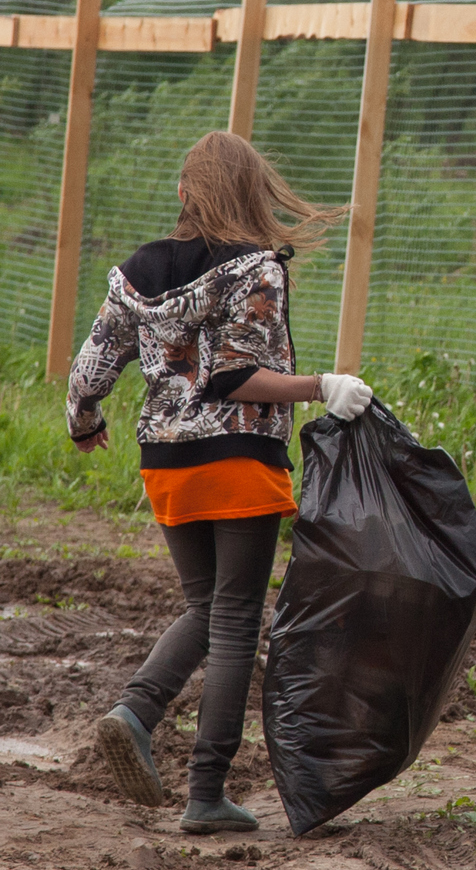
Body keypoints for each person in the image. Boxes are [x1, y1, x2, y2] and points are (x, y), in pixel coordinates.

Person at [66, 131, 373, 833]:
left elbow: (89, 373)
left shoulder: (136, 273)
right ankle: (205, 791)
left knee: (209, 608)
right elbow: (236, 376)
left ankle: (137, 712)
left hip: (166, 465)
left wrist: (83, 421)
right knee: (235, 620)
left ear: (184, 192)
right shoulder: (255, 269)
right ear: (248, 193)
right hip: (237, 458)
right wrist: (323, 386)